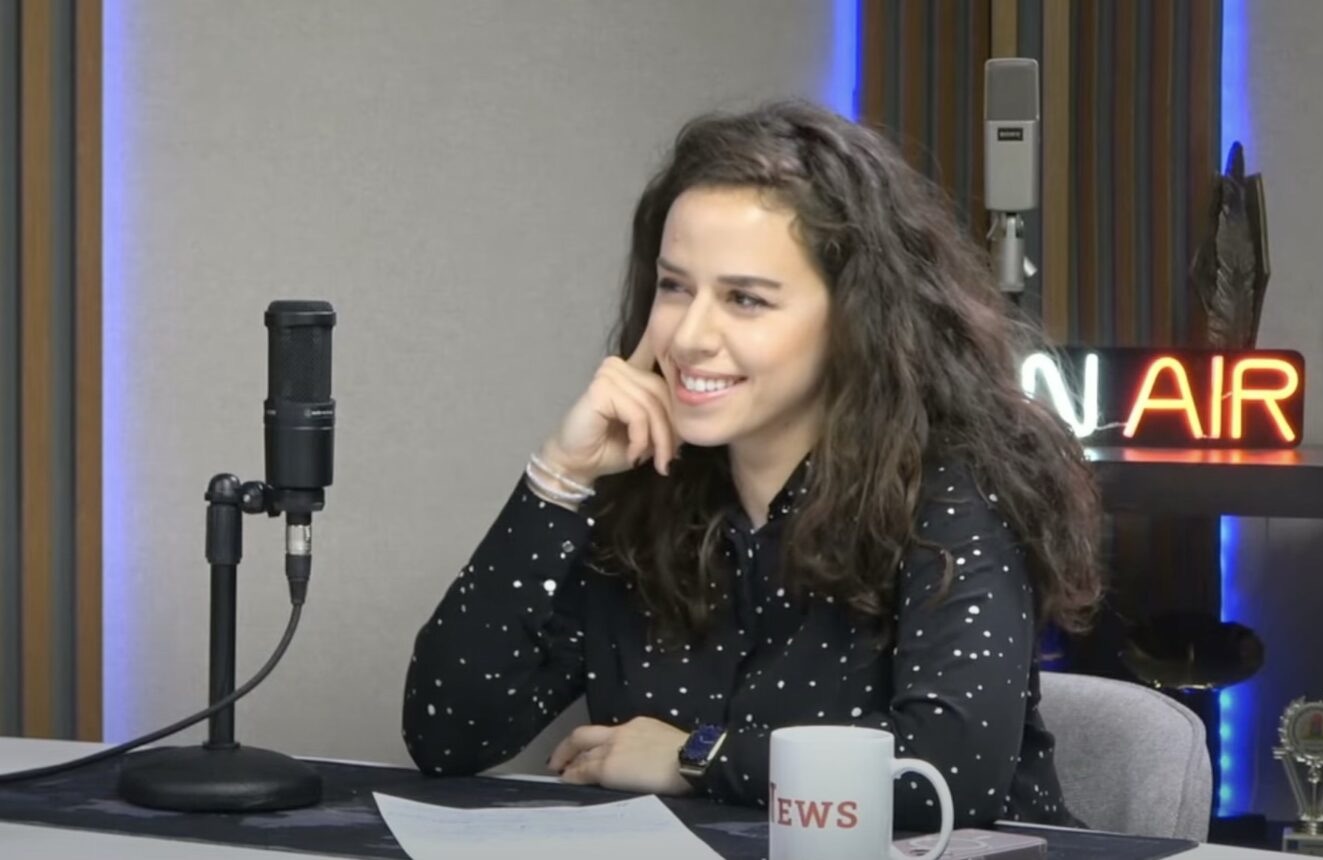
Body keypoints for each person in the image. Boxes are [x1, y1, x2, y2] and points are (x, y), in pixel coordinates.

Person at [402, 100, 1102, 831]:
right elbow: (448, 734)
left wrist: (698, 756)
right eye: (675, 287)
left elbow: (950, 771)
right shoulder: (646, 491)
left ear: (855, 320)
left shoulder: (953, 487)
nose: (688, 337)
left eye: (744, 299)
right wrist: (558, 478)